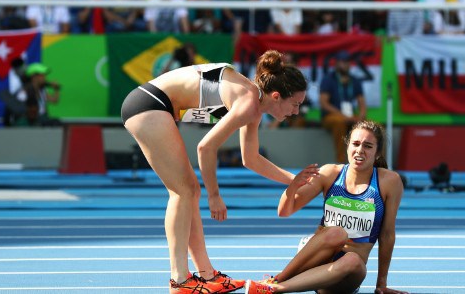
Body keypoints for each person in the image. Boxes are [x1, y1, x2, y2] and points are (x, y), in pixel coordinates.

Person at [121, 50, 308, 294]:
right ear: (276, 96)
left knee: (188, 191)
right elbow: (205, 147)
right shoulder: (248, 102)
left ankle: (207, 276)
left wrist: (295, 181)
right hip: (149, 104)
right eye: (295, 104)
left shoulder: (254, 104)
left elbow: (250, 159)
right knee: (184, 192)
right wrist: (215, 195)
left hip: (154, 105)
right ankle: (179, 280)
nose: (296, 112)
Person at [244, 120, 407, 294]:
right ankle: (276, 280)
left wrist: (381, 284)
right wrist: (292, 187)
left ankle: (275, 288)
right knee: (336, 233)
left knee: (352, 259)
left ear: (377, 154)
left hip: (347, 273)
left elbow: (387, 234)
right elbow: (284, 211)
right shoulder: (330, 173)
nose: (360, 150)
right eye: (356, 144)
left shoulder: (389, 182)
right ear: (347, 146)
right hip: (318, 260)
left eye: (367, 146)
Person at [319, 51, 367, 164]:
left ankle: (373, 164)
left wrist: (361, 116)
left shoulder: (354, 80)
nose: (345, 65)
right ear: (336, 64)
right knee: (340, 123)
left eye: (347, 62)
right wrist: (343, 115)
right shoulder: (328, 79)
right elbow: (324, 103)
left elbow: (362, 103)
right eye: (342, 62)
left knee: (372, 127)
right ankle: (341, 163)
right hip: (332, 117)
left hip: (350, 117)